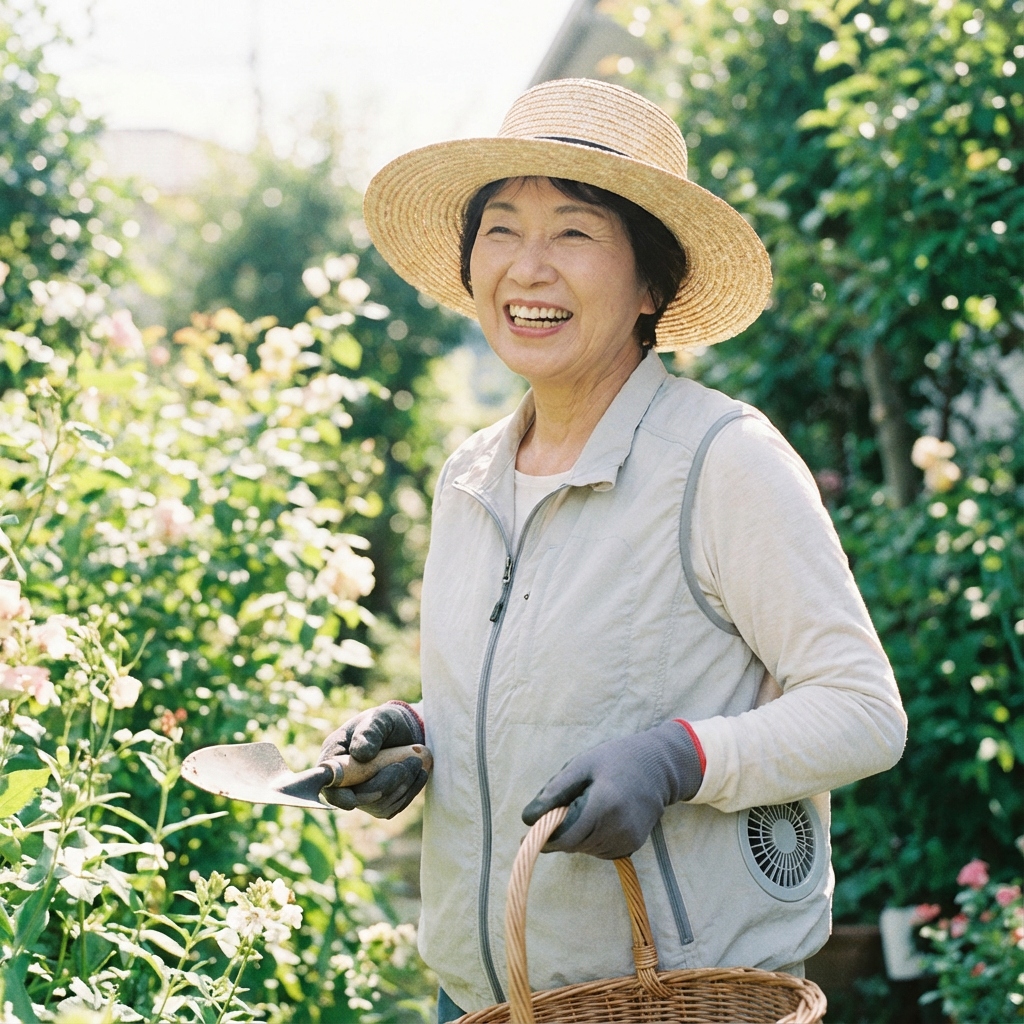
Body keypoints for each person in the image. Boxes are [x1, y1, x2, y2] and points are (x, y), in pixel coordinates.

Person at [319, 78, 907, 1021]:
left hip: (666, 1000)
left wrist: (678, 760)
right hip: (472, 998)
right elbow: (539, 683)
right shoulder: (472, 474)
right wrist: (421, 734)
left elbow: (864, 711)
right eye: (501, 229)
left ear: (650, 286)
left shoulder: (721, 461)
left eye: (576, 232)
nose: (528, 268)